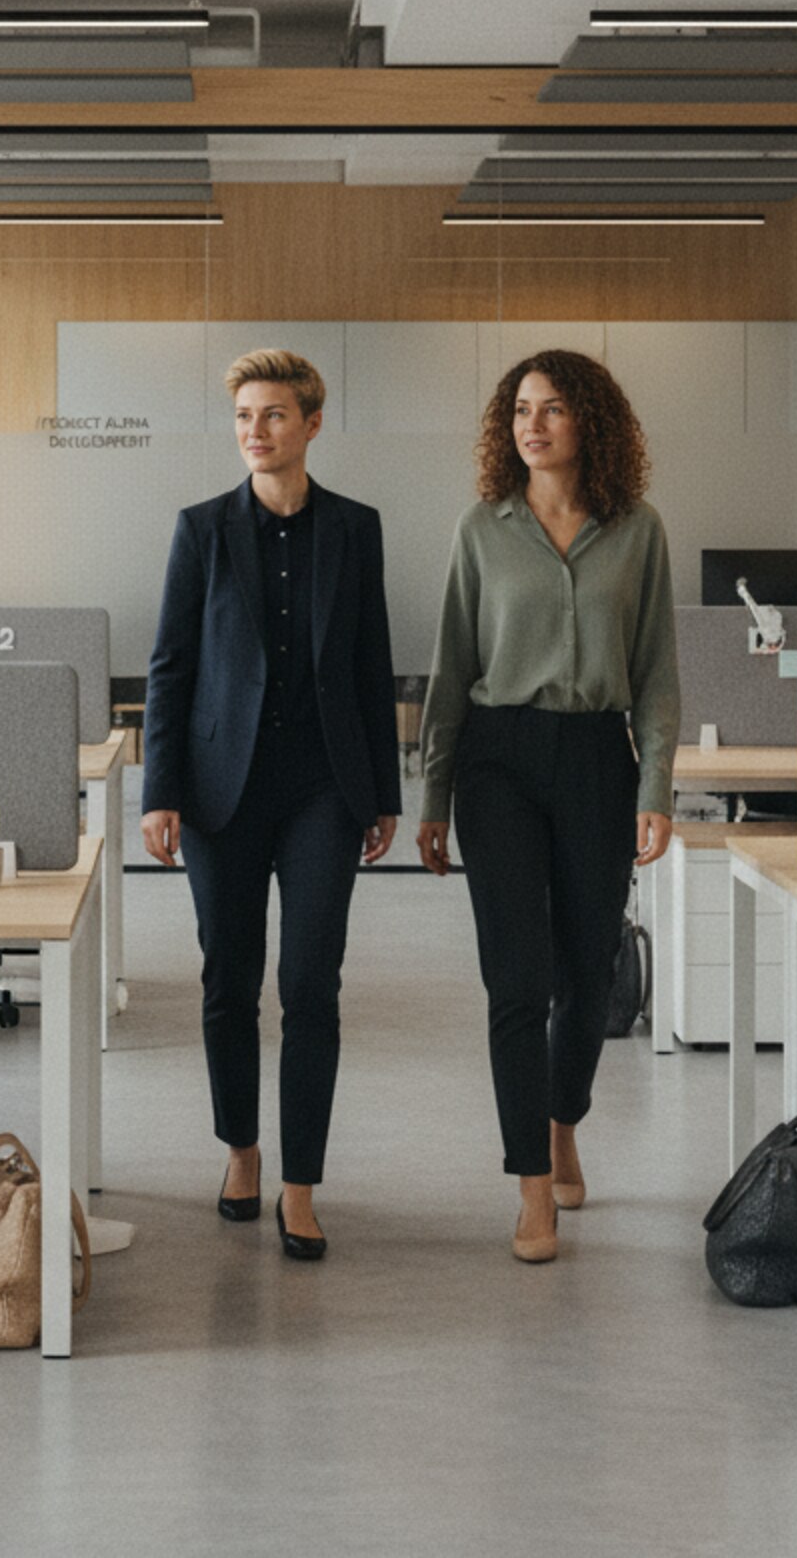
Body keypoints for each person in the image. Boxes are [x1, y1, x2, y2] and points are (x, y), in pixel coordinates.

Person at [416, 349, 679, 1264]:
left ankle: (565, 1117)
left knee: (590, 975)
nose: (533, 424)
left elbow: (655, 674)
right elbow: (451, 669)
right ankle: (532, 1182)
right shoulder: (481, 530)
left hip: (598, 759)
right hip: (499, 761)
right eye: (521, 409)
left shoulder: (637, 530)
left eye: (554, 409)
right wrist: (434, 794)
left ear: (590, 425)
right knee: (518, 981)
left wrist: (656, 789)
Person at [142, 349, 400, 1261]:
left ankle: (302, 1184)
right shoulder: (202, 530)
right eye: (246, 416)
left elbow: (372, 663)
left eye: (275, 415)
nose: (256, 430)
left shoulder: (354, 529)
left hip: (325, 789)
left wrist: (383, 793)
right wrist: (159, 791)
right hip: (223, 790)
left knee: (310, 986)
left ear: (312, 424)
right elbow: (170, 668)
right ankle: (242, 1151)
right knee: (228, 981)